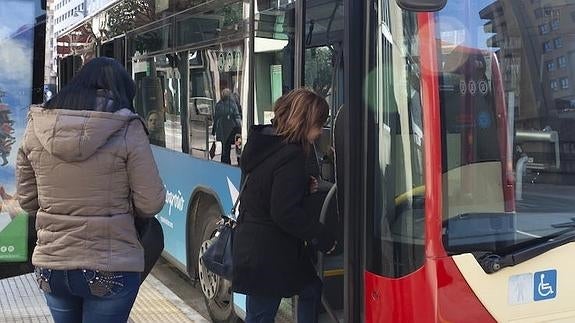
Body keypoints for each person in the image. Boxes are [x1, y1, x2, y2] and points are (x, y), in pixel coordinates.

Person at [16, 57, 166, 323]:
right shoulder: (128, 127)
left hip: (51, 264)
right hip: (111, 266)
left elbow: (28, 201)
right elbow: (151, 202)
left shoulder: (35, 127)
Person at [232, 88, 337, 323]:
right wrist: (321, 236)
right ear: (305, 121)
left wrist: (300, 187)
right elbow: (284, 212)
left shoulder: (267, 144)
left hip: (261, 247)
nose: (320, 131)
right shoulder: (292, 154)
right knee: (260, 316)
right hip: (267, 254)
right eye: (319, 124)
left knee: (310, 288)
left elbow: (266, 188)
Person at [212, 88, 241, 164]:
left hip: (222, 130)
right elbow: (237, 116)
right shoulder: (232, 104)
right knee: (238, 145)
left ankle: (225, 163)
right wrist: (240, 127)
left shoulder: (218, 105)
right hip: (233, 130)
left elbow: (216, 119)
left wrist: (213, 131)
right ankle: (239, 160)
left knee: (225, 148)